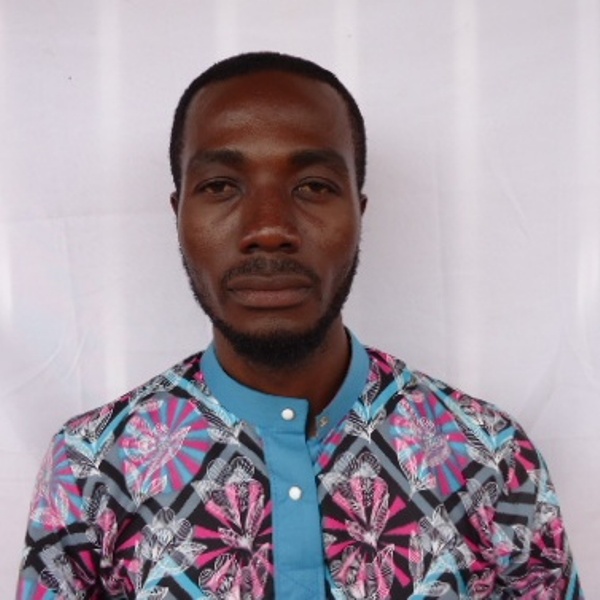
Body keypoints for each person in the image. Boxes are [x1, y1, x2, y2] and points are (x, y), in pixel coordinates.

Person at [17, 52, 584, 599]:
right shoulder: (90, 470)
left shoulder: (492, 460)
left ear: (359, 210)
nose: (269, 229)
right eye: (220, 186)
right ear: (179, 212)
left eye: (313, 186)